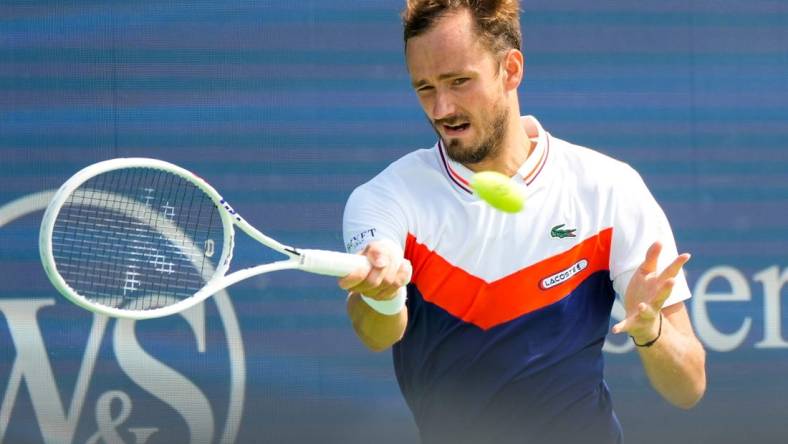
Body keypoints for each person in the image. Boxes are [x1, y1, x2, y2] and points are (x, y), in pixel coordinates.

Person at [339, 1, 706, 442]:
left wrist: (652, 330)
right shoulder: (386, 198)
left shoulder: (609, 188)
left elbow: (689, 387)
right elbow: (378, 335)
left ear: (510, 70)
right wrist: (382, 295)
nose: (441, 108)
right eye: (424, 88)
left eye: (459, 82)